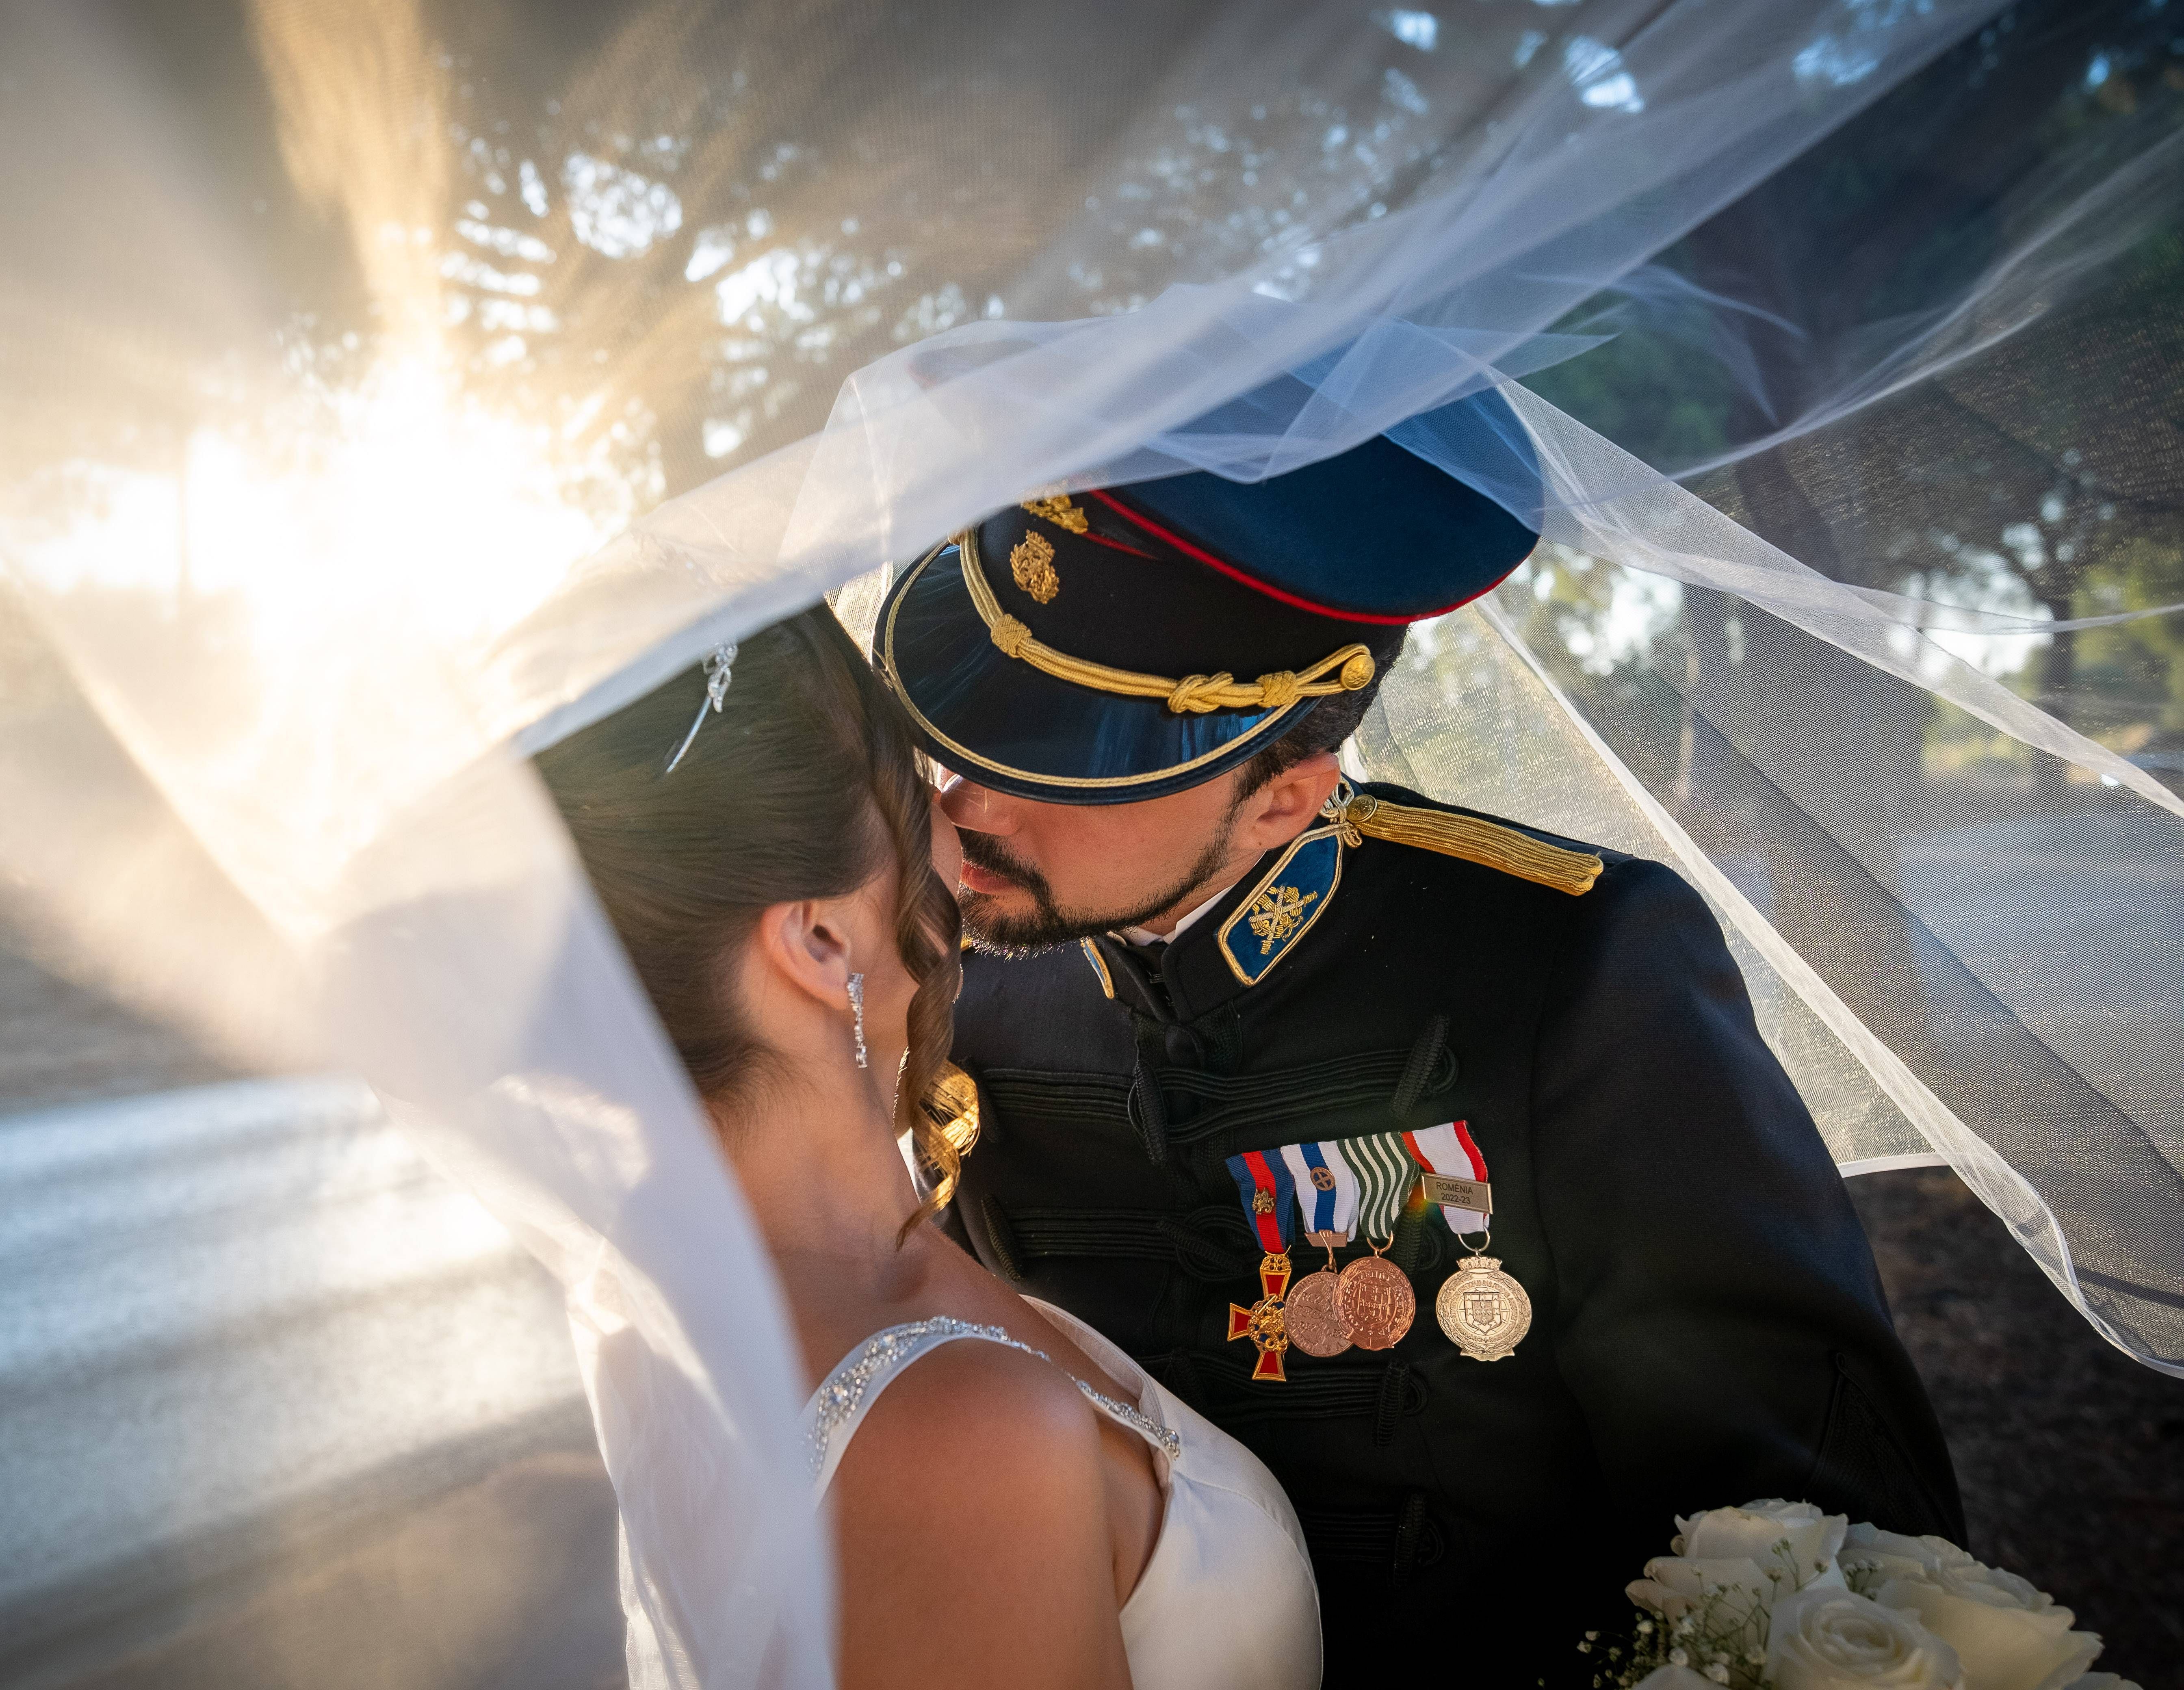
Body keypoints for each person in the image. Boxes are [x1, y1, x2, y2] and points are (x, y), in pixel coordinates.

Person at [871, 384, 1965, 1684]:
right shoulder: (964, 987)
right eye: (965, 733)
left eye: (1063, 764)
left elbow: (1801, 1516)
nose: (967, 802)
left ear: (1283, 798)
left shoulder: (1560, 960)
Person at [533, 608, 1321, 1689]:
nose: (955, 818)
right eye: (910, 789)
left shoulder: (665, 1273)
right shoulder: (969, 1444)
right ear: (821, 939)